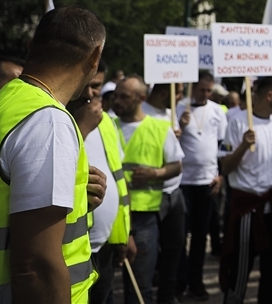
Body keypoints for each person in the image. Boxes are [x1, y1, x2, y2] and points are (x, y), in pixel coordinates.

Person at [0, 6, 106, 304]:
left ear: (31, 48)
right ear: (95, 58)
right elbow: (37, 266)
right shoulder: (46, 120)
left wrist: (77, 200)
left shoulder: (6, 102)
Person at [219, 76, 272, 304]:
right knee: (239, 272)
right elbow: (226, 167)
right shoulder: (238, 122)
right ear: (270, 96)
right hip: (248, 210)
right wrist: (242, 147)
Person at [112, 76, 183, 304]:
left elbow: (176, 166)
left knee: (139, 283)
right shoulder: (106, 125)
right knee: (102, 282)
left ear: (141, 98)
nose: (117, 101)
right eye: (116, 95)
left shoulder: (161, 128)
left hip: (142, 214)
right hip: (110, 212)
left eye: (124, 96)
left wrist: (154, 174)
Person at [70, 65, 134, 304]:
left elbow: (118, 178)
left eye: (96, 86)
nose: (89, 93)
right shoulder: (59, 117)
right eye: (85, 84)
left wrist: (125, 234)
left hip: (104, 245)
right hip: (75, 249)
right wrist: (82, 128)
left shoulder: (106, 120)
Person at [175, 73, 227, 301]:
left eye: (209, 90)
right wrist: (180, 126)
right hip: (183, 182)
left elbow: (223, 146)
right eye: (201, 89)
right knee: (179, 237)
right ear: (191, 88)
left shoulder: (216, 110)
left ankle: (196, 281)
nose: (205, 94)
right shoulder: (177, 108)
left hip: (208, 182)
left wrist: (222, 176)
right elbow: (169, 142)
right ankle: (180, 280)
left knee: (200, 236)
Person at [139, 82, 188, 304]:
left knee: (174, 247)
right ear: (163, 93)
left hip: (174, 192)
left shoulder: (171, 113)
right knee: (149, 254)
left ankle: (168, 296)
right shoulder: (142, 115)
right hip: (149, 196)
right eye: (178, 93)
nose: (180, 98)